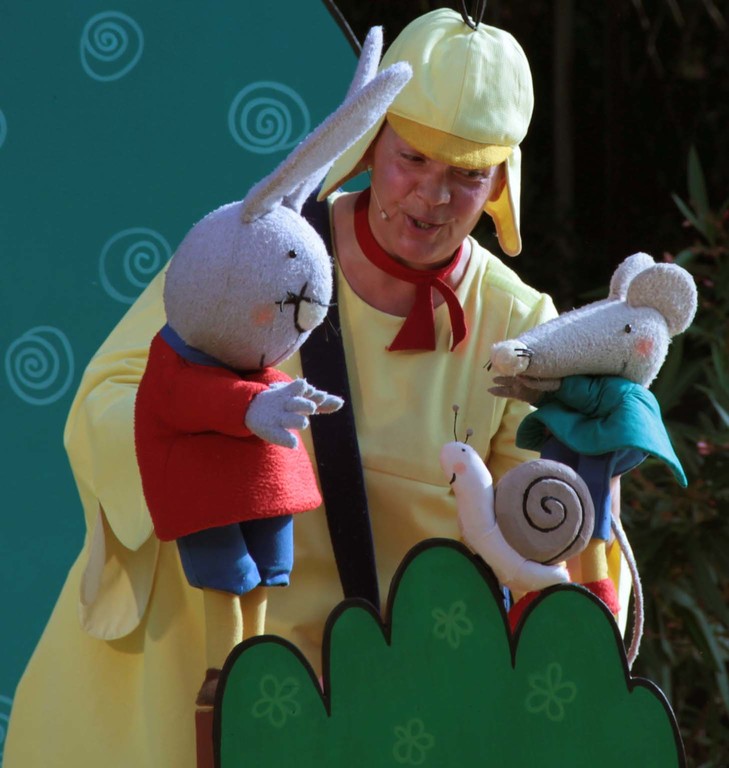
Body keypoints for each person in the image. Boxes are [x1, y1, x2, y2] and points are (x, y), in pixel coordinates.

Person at [4, 8, 624, 767]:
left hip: (356, 707)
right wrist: (225, 438)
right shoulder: (257, 250)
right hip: (193, 659)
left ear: (501, 182)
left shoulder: (522, 331)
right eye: (412, 158)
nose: (432, 195)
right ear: (372, 140)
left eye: (466, 174)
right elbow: (108, 397)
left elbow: (548, 537)